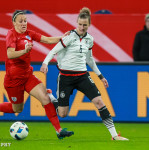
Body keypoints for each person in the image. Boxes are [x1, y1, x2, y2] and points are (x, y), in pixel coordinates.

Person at [40, 7, 129, 141]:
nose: (82, 27)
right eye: (80, 24)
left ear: (89, 25)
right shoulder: (69, 36)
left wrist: (101, 76)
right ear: (76, 23)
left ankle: (114, 135)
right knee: (62, 114)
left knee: (99, 102)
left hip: (82, 76)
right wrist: (45, 63)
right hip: (65, 77)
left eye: (85, 25)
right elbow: (53, 51)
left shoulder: (90, 40)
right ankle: (53, 99)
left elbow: (90, 60)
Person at [0, 10, 74, 139]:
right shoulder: (11, 34)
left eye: (25, 21)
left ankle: (59, 130)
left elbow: (46, 39)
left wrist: (62, 38)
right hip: (13, 80)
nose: (24, 23)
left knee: (45, 98)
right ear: (14, 23)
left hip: (27, 76)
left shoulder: (29, 34)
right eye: (21, 21)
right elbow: (10, 54)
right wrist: (25, 50)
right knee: (17, 109)